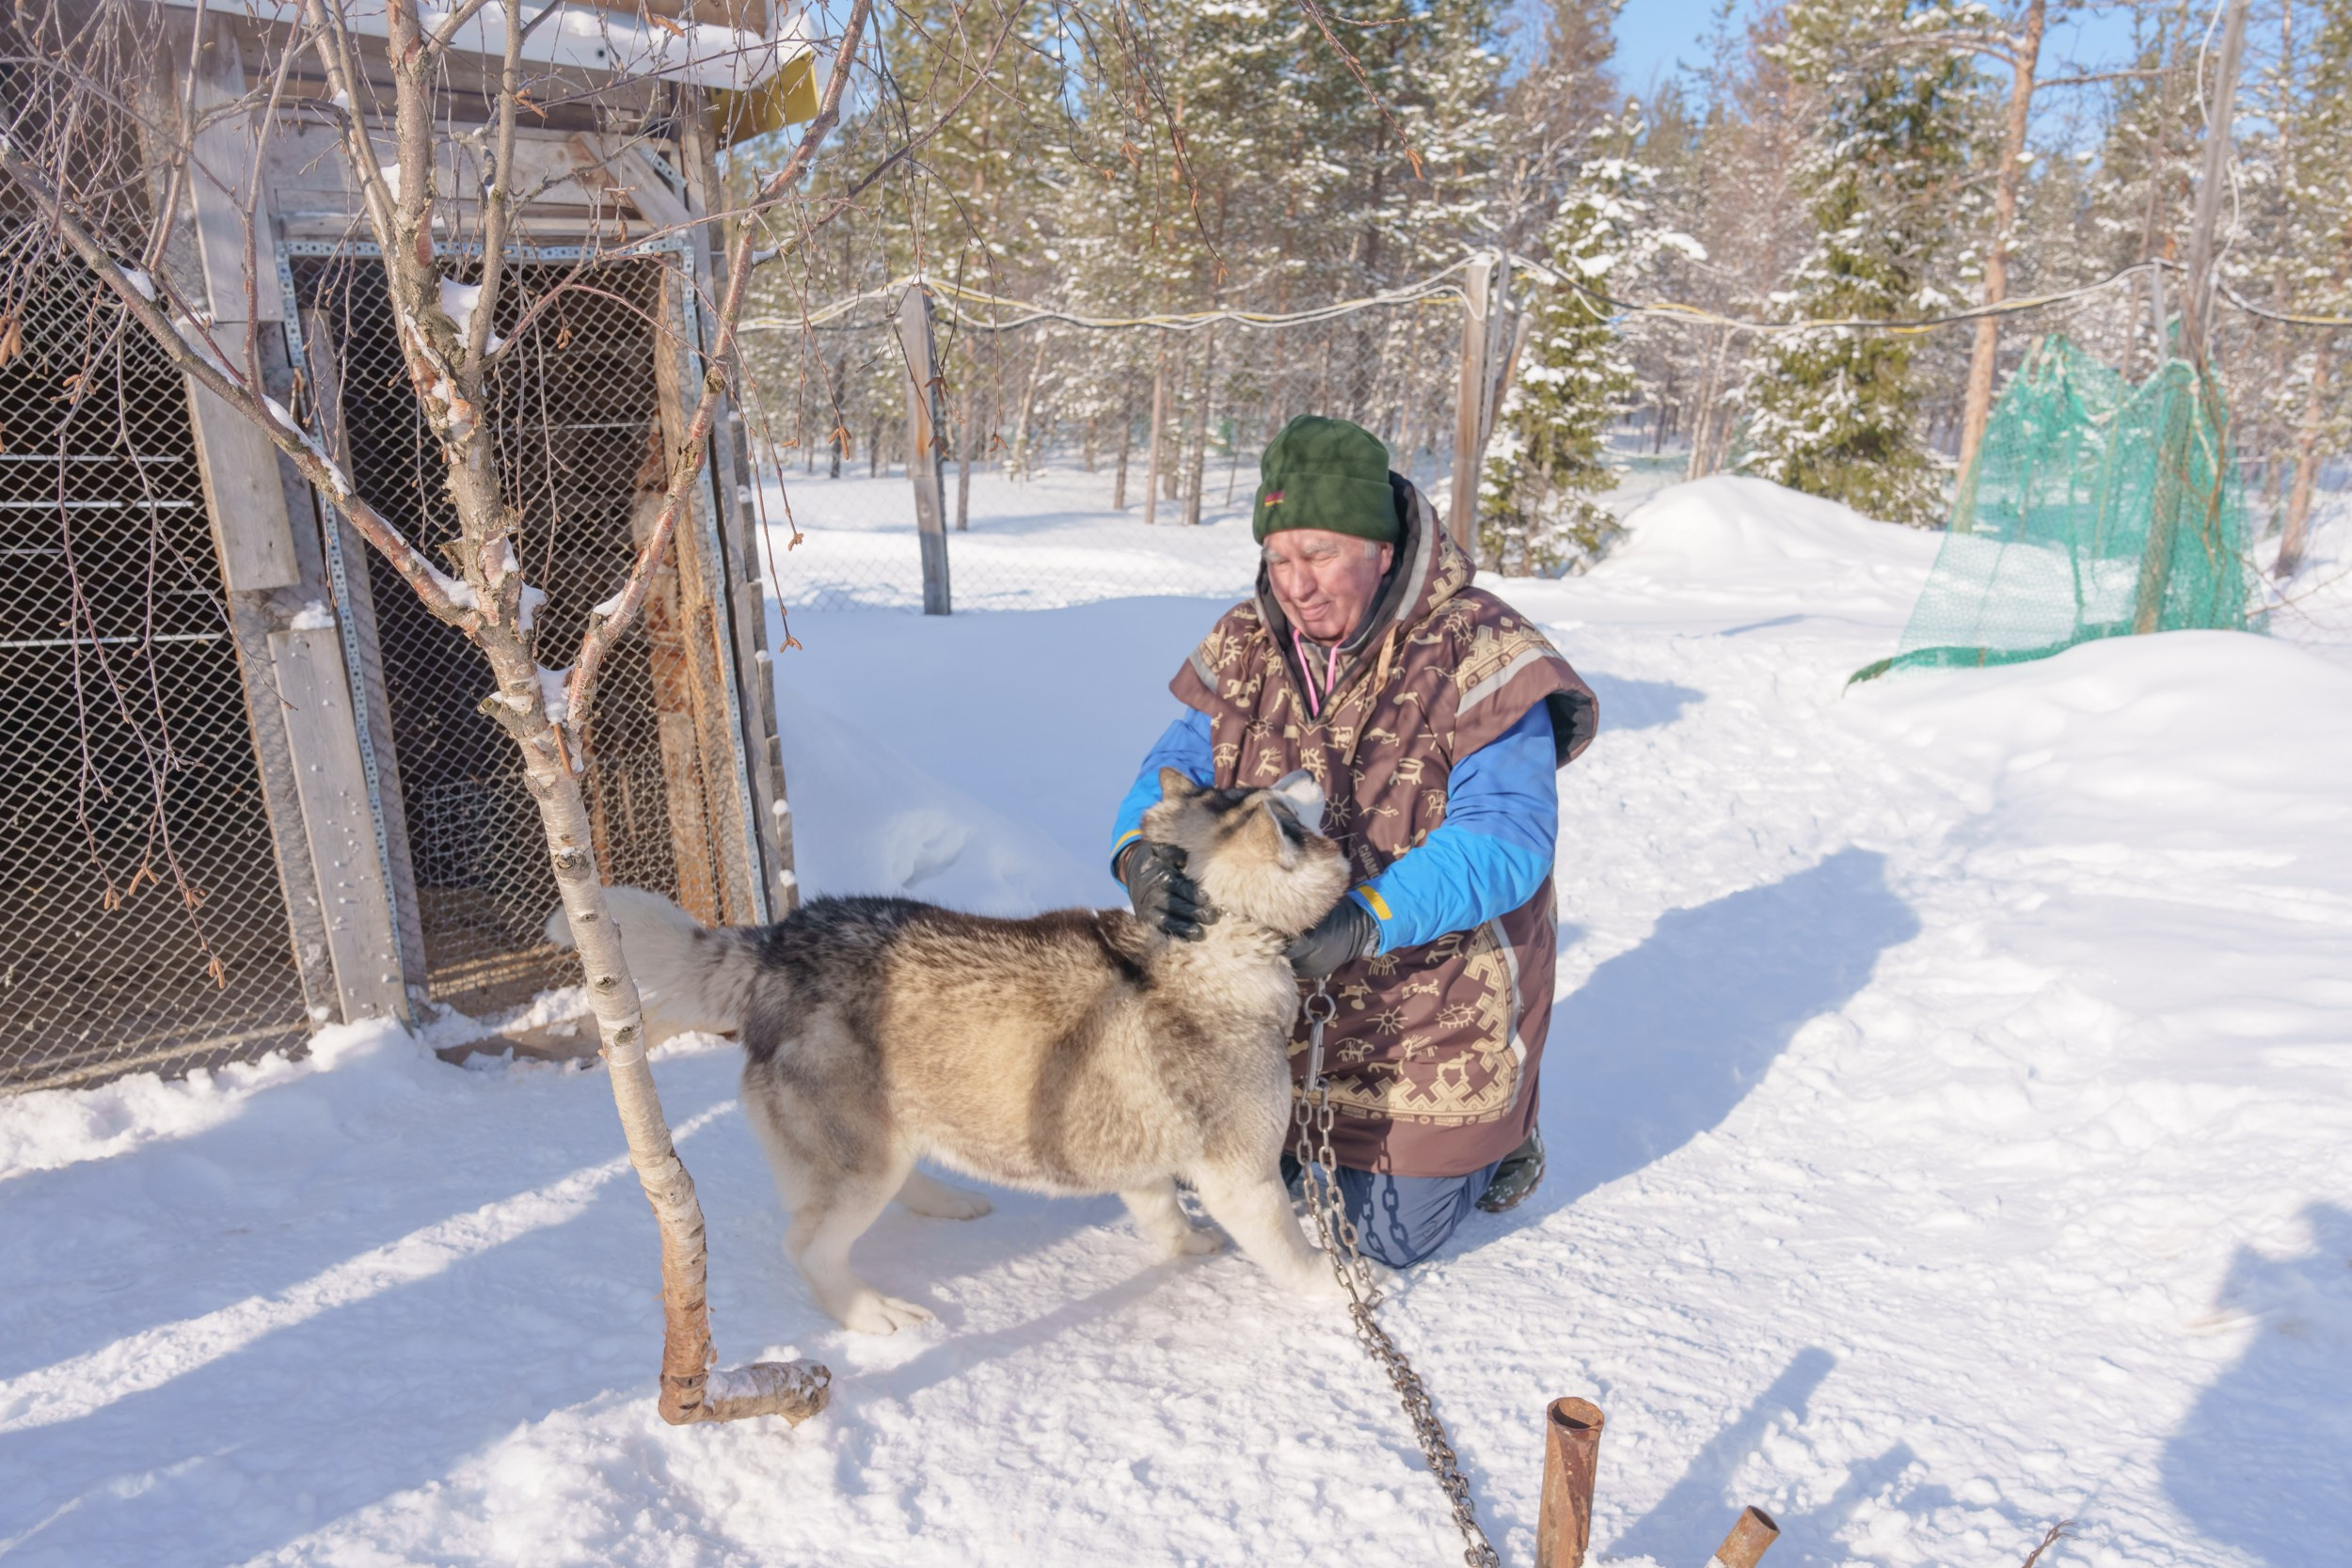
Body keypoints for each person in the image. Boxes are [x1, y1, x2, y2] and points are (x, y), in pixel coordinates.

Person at [1108, 415, 1597, 1269]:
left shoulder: (1482, 650)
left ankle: (1500, 1141)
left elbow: (1508, 836)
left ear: (1381, 546)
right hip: (1276, 996)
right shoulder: (1245, 642)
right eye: (1279, 557)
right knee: (1211, 1176)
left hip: (1430, 997)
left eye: (1322, 553)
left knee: (1384, 1238)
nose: (1296, 584)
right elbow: (1172, 765)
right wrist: (1138, 854)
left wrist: (1366, 918)